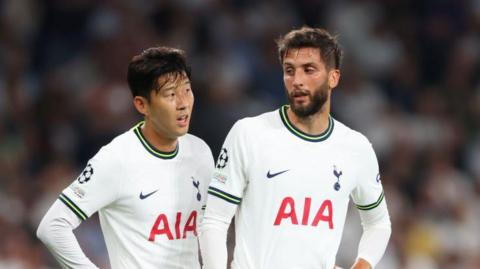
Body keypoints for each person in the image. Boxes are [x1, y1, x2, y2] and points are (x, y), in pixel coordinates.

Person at [199, 26, 391, 269]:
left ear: (334, 77)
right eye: (289, 70)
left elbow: (378, 223)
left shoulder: (356, 148)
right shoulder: (249, 133)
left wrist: (363, 265)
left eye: (308, 70)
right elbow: (214, 219)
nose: (297, 80)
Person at [37, 46, 214, 268]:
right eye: (170, 94)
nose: (183, 103)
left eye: (187, 90)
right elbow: (52, 227)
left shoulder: (200, 152)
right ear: (142, 104)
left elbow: (208, 228)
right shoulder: (116, 159)